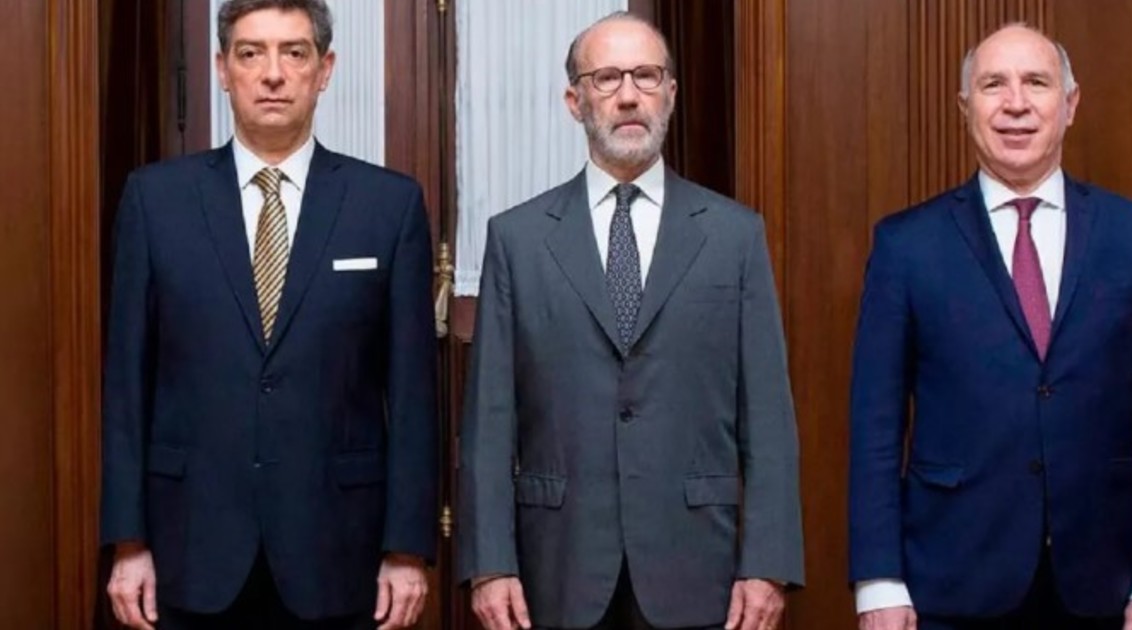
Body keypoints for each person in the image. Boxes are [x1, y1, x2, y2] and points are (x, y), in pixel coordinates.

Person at [457, 11, 804, 630]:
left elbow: (769, 416)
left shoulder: (734, 236)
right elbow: (490, 419)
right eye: (607, 78)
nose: (627, 95)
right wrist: (490, 564)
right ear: (575, 100)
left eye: (646, 76)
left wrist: (768, 562)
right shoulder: (517, 239)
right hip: (556, 569)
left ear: (670, 93)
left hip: (698, 567)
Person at [100, 1, 437, 627]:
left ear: (324, 69)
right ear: (222, 69)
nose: (273, 73)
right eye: (251, 53)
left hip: (339, 550)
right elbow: (125, 383)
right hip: (188, 546)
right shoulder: (155, 200)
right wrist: (128, 541)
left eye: (294, 52)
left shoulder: (387, 206)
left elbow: (414, 393)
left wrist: (407, 548)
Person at [849, 24, 1132, 630]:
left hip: (1109, 588)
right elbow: (875, 426)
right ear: (965, 107)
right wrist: (878, 582)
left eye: (1036, 82)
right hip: (949, 586)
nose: (1016, 103)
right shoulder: (906, 246)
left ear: (1070, 103)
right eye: (993, 85)